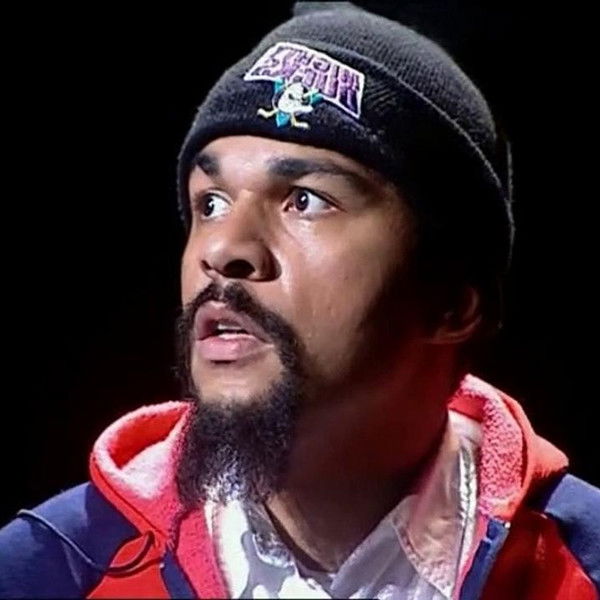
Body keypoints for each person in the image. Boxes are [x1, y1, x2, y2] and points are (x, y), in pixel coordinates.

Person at [1, 3, 598, 599]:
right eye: (210, 203)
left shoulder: (583, 570)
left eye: (305, 200)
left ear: (453, 304)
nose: (224, 250)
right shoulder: (48, 572)